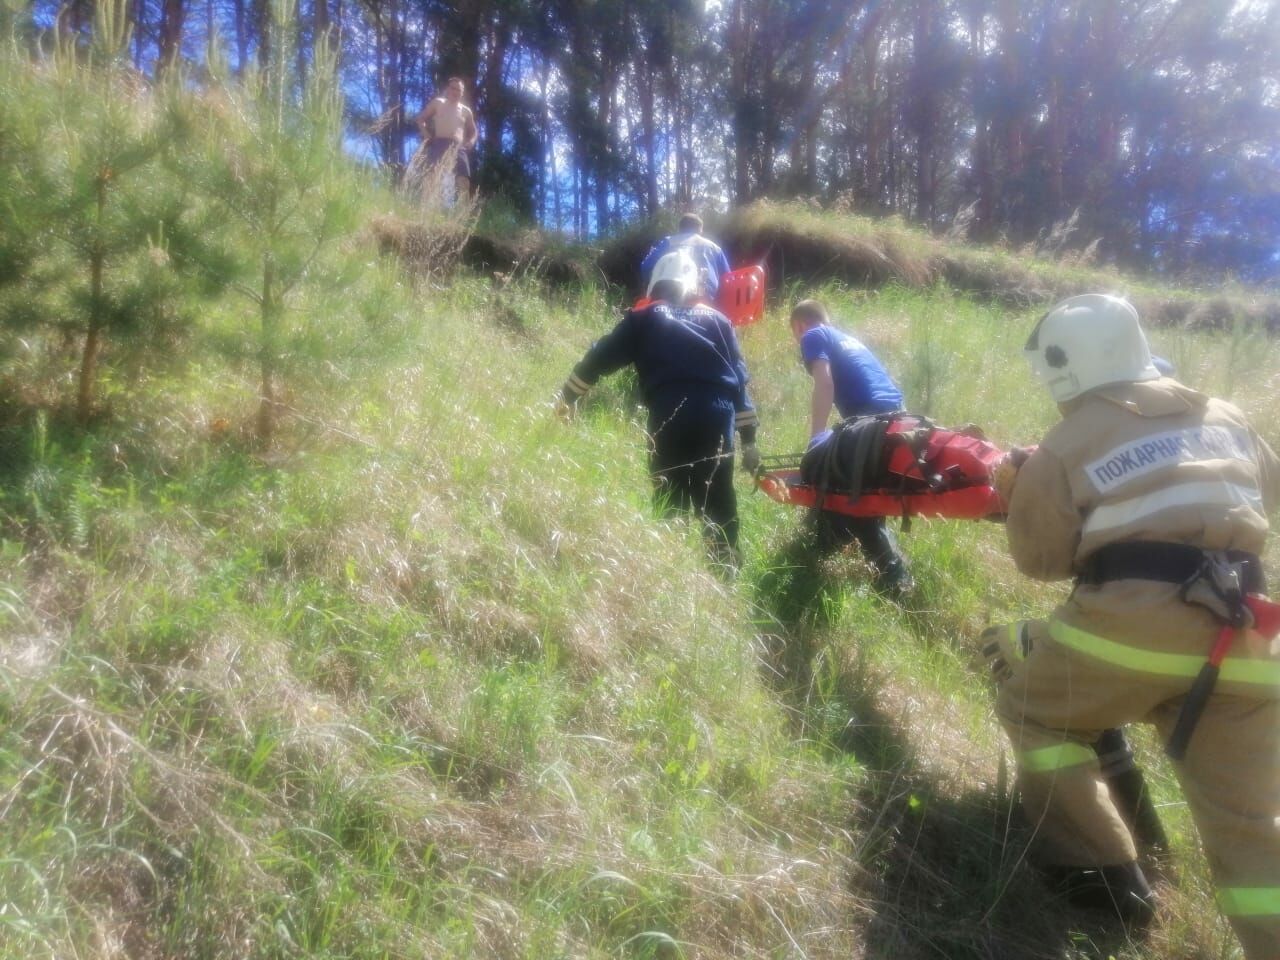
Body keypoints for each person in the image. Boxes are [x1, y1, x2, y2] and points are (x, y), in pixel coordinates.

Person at [981, 293, 1280, 955]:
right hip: (1246, 635)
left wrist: (1019, 491)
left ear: (1062, 367)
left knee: (1036, 714)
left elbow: (1042, 562)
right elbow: (1269, 490)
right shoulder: (1225, 415)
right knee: (1253, 824)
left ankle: (1102, 877)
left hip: (1126, 632)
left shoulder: (1067, 440)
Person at [558, 251, 760, 569]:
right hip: (717, 412)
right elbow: (739, 383)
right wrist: (749, 439)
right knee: (718, 496)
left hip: (669, 411)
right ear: (695, 284)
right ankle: (725, 573)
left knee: (671, 494)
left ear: (656, 284)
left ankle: (671, 572)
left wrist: (568, 397)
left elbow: (599, 358)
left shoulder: (643, 318)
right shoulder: (720, 321)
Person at [789, 298, 913, 595]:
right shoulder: (850, 340)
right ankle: (826, 544)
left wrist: (815, 438)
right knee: (858, 486)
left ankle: (895, 578)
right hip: (900, 419)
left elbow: (825, 384)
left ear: (799, 325)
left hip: (871, 422)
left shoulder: (812, 334)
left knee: (847, 489)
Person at [640, 213, 732, 301]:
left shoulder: (667, 242)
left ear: (680, 229)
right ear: (700, 229)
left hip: (664, 297)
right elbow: (729, 279)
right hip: (705, 301)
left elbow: (645, 267)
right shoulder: (715, 248)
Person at [415, 76, 478, 201]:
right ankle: (426, 207)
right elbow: (420, 119)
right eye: (453, 88)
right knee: (432, 176)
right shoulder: (438, 103)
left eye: (459, 90)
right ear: (448, 89)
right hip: (439, 143)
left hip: (458, 148)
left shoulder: (466, 111)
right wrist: (426, 133)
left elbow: (474, 130)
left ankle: (460, 214)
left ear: (462, 92)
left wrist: (471, 141)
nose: (456, 92)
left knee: (463, 179)